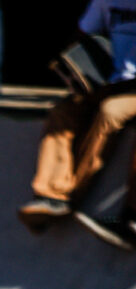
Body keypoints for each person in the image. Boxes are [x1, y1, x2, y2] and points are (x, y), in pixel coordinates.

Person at [19, 0, 136, 249]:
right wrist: (77, 68)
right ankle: (52, 195)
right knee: (64, 112)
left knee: (110, 112)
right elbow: (82, 34)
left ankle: (122, 214)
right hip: (113, 82)